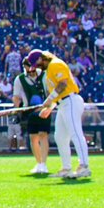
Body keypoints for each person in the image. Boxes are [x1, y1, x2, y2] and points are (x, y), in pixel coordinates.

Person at [24, 48, 88, 180]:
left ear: (42, 58)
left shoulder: (55, 64)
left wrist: (49, 100)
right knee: (60, 137)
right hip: (62, 103)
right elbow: (58, 95)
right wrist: (50, 107)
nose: (38, 67)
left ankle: (84, 166)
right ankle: (66, 168)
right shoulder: (49, 71)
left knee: (75, 133)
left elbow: (63, 85)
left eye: (38, 64)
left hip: (70, 100)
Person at [13, 59, 53, 174]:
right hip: (29, 111)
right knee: (33, 137)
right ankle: (39, 163)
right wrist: (17, 109)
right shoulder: (20, 79)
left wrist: (47, 107)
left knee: (43, 135)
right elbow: (16, 96)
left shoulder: (44, 76)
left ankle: (44, 164)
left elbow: (50, 92)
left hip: (44, 109)